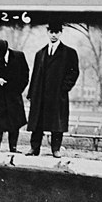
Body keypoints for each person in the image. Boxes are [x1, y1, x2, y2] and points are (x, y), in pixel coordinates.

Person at [26, 22, 80, 158]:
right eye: (51, 32)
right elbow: (35, 74)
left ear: (61, 33)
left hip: (57, 94)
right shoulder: (40, 53)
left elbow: (74, 72)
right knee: (37, 122)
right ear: (47, 33)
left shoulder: (69, 52)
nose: (54, 35)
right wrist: (31, 93)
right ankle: (34, 148)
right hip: (41, 95)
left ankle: (56, 149)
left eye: (56, 32)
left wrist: (64, 88)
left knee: (57, 123)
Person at [0, 39, 30, 153]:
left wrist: (19, 89)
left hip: (14, 95)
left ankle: (13, 147)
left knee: (14, 121)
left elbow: (25, 74)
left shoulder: (19, 56)